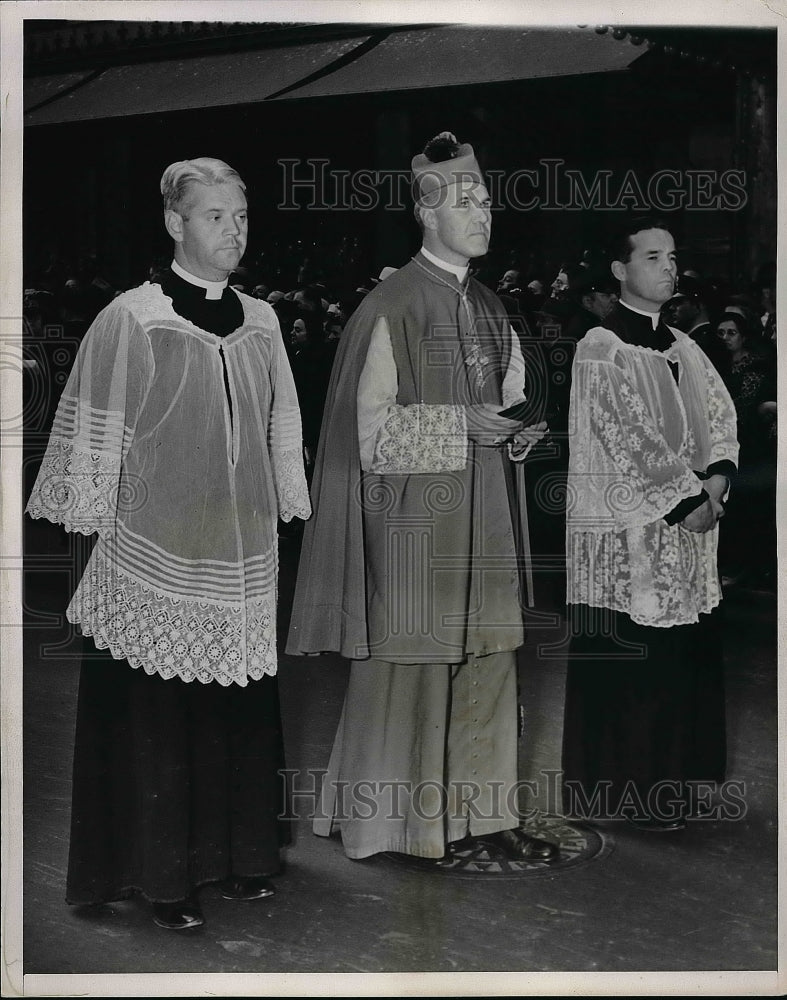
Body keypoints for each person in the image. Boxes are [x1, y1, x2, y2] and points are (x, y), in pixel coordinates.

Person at [25, 157, 311, 929]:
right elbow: (95, 429)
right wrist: (89, 517)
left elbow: (279, 422)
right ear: (173, 224)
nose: (233, 231)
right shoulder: (132, 318)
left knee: (237, 712)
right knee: (161, 722)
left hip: (240, 554)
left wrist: (284, 498)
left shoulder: (261, 321)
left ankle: (242, 858)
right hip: (154, 556)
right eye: (215, 216)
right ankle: (163, 879)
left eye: (241, 216)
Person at [286, 131, 557, 864]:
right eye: (466, 201)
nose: (484, 213)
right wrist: (459, 423)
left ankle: (487, 817)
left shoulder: (493, 304)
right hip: (415, 526)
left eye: (487, 200)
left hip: (486, 517)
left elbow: (511, 402)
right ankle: (402, 827)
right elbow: (365, 437)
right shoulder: (391, 304)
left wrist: (521, 431)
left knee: (491, 660)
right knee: (416, 670)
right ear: (426, 212)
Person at [561, 217, 739, 831]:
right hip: (630, 532)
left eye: (673, 256)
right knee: (635, 661)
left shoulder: (683, 345)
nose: (669, 267)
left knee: (678, 658)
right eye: (653, 255)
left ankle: (673, 779)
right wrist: (687, 501)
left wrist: (715, 479)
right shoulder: (600, 346)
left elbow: (719, 413)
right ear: (620, 270)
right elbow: (624, 435)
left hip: (687, 524)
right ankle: (622, 793)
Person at [714, 306, 777, 587]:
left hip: (748, 445)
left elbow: (744, 408)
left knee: (746, 508)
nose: (726, 338)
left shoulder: (756, 367)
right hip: (726, 443)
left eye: (731, 333)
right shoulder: (718, 365)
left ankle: (747, 567)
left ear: (743, 336)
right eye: (721, 333)